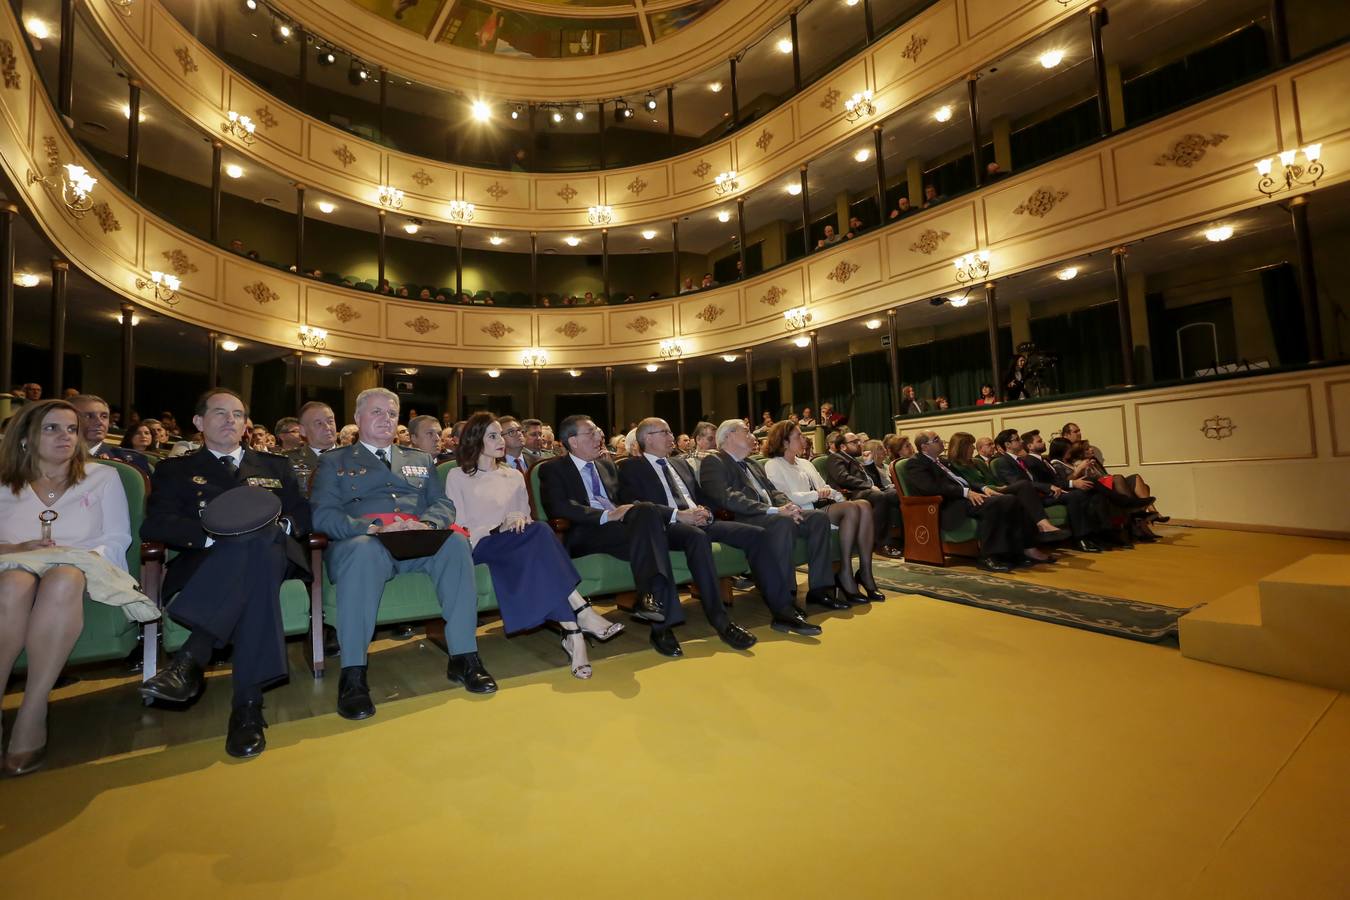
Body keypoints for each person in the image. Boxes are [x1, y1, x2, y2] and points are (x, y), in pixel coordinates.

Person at [138, 389, 312, 759]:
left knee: (263, 536)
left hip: (277, 557)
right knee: (255, 565)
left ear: (246, 424)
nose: (230, 420)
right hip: (208, 563)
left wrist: (276, 528)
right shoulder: (175, 470)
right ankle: (247, 707)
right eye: (220, 413)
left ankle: (191, 658)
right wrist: (211, 540)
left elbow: (302, 513)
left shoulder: (274, 466)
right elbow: (157, 524)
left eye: (237, 414)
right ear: (199, 423)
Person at [312, 388, 495, 719]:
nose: (386, 419)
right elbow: (324, 515)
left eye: (392, 414)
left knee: (454, 543)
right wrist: (374, 529)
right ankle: (353, 676)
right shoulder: (333, 461)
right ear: (357, 418)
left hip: (415, 539)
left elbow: (443, 504)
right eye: (376, 412)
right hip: (364, 542)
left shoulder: (419, 460)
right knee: (365, 552)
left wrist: (427, 524)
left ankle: (464, 657)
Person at [0, 400, 136, 776]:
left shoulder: (102, 477)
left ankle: (33, 708)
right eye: (52, 428)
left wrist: (70, 555)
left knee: (63, 576)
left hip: (80, 567)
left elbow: (116, 538)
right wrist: (18, 549)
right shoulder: (3, 482)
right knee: (14, 582)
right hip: (10, 567)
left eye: (71, 429)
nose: (66, 436)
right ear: (26, 439)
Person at [445, 414, 623, 679]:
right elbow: (458, 528)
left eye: (501, 435)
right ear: (476, 440)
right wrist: (497, 527)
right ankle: (581, 612)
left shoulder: (513, 475)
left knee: (537, 528)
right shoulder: (457, 476)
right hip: (479, 545)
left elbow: (525, 518)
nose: (501, 440)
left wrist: (518, 520)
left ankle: (574, 636)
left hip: (517, 544)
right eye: (493, 436)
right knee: (539, 532)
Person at [620, 418, 819, 647]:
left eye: (670, 431)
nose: (671, 437)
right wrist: (677, 514)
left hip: (699, 521)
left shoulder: (679, 464)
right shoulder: (631, 467)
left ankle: (782, 610)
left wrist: (706, 511)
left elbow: (702, 497)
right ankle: (719, 620)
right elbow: (636, 506)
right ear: (647, 438)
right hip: (667, 526)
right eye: (664, 432)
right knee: (697, 537)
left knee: (757, 534)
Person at [536, 416, 688, 657]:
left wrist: (629, 510)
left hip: (622, 531)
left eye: (599, 432)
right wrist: (607, 515)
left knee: (647, 512)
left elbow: (627, 500)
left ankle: (651, 605)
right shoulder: (552, 469)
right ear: (573, 441)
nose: (599, 437)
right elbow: (560, 508)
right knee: (653, 538)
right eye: (591, 433)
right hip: (585, 533)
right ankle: (661, 623)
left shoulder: (607, 465)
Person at [698, 419, 842, 614]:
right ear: (730, 435)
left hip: (773, 514)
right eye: (746, 432)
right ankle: (786, 595)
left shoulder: (752, 463)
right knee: (782, 522)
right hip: (743, 518)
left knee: (818, 518)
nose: (753, 436)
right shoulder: (713, 461)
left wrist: (789, 506)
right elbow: (728, 498)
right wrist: (775, 511)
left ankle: (819, 588)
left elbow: (773, 492)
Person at [762, 422, 884, 602]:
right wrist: (816, 494)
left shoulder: (805, 463)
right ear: (785, 442)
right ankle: (846, 573)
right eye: (798, 436)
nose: (803, 439)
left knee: (864, 505)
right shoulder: (773, 465)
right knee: (852, 508)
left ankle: (866, 572)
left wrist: (837, 497)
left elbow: (825, 487)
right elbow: (785, 497)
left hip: (823, 505)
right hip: (804, 511)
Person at [906, 431, 1047, 572]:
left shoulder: (942, 461)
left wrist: (984, 488)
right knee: (998, 503)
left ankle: (1017, 551)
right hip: (948, 506)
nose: (941, 441)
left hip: (964, 498)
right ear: (924, 446)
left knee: (1011, 500)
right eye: (936, 439)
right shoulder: (915, 463)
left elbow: (964, 480)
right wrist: (966, 493)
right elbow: (931, 488)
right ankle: (989, 556)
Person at [991, 429, 1108, 553]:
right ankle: (1080, 538)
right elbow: (1018, 482)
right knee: (1075, 495)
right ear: (1007, 445)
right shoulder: (1003, 462)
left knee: (1078, 495)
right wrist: (1047, 487)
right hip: (1028, 499)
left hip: (1040, 494)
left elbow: (1035, 480)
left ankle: (1086, 536)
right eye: (1017, 439)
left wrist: (1049, 488)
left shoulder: (1021, 460)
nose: (1021, 441)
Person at [947, 432, 1073, 543]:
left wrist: (1001, 486)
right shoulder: (954, 465)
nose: (973, 448)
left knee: (1021, 489)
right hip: (980, 493)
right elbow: (968, 484)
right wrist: (994, 487)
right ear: (961, 447)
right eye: (970, 445)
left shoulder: (977, 462)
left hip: (996, 488)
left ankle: (1037, 533)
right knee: (1023, 485)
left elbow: (993, 479)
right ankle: (1043, 525)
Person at [1060, 422, 1167, 525]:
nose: (1079, 433)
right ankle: (1136, 513)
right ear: (1066, 434)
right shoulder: (1068, 453)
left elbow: (1102, 473)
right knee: (1119, 479)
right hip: (1093, 486)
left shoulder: (1087, 454)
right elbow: (1072, 475)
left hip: (1103, 481)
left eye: (1079, 430)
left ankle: (1150, 511)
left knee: (1137, 479)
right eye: (1076, 431)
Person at [824, 432, 904, 560]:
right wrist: (867, 486)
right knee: (880, 497)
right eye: (854, 442)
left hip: (866, 490)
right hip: (850, 493)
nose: (859, 444)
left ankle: (902, 539)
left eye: (858, 441)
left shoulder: (855, 460)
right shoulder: (836, 458)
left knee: (896, 494)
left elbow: (875, 481)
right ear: (843, 446)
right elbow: (842, 478)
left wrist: (869, 464)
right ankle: (881, 544)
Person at [70, 394, 151, 476]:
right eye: (88, 416)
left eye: (104, 416)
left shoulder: (133, 461)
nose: (100, 422)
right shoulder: (58, 457)